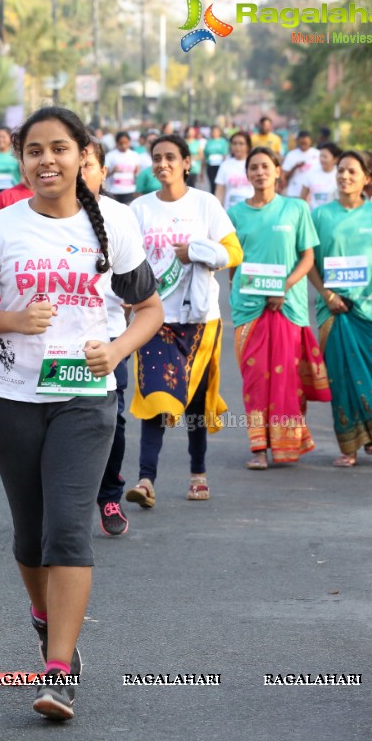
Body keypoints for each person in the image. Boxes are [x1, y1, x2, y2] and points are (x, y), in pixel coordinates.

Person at [0, 107, 162, 721]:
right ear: (22, 160)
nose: (47, 160)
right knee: (30, 534)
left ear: (81, 155)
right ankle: (45, 620)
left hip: (85, 400)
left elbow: (147, 307)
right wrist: (13, 319)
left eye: (60, 149)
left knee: (68, 530)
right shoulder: (0, 227)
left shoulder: (115, 224)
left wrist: (117, 349)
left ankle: (60, 668)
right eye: (35, 150)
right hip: (11, 400)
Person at [126, 135, 243, 509]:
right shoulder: (139, 209)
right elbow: (125, 258)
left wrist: (195, 251)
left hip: (199, 321)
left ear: (187, 163)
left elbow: (234, 253)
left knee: (193, 403)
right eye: (157, 158)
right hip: (154, 318)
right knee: (154, 396)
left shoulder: (205, 204)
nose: (163, 164)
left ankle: (198, 472)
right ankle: (146, 480)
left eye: (171, 157)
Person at [227, 147, 329, 469]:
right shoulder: (235, 213)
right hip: (249, 309)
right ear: (247, 174)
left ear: (278, 171)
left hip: (288, 306)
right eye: (253, 167)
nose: (259, 172)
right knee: (255, 380)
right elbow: (234, 263)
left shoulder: (296, 209)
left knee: (287, 381)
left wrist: (282, 287)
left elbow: (308, 258)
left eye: (265, 166)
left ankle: (285, 442)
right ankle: (258, 447)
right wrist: (244, 292)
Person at [308, 150, 372, 465]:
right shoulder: (320, 215)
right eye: (340, 171)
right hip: (335, 310)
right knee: (342, 376)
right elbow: (310, 262)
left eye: (352, 171)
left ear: (367, 177)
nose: (345, 176)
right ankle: (348, 445)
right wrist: (326, 296)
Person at [79, 136, 138, 535]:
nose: (80, 173)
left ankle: (109, 496)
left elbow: (138, 286)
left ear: (104, 171)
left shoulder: (119, 216)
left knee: (111, 423)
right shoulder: (36, 218)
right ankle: (64, 500)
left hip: (111, 340)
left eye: (88, 166)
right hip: (55, 345)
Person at [214, 131, 253, 211]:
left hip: (251, 210)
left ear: (248, 146)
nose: (237, 147)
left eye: (241, 144)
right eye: (234, 143)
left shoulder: (254, 164)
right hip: (231, 212)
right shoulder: (225, 165)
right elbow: (219, 191)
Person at [299, 142, 341, 211]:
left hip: (334, 216)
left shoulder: (340, 174)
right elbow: (302, 198)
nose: (321, 159)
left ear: (335, 159)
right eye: (321, 156)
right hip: (314, 216)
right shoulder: (311, 173)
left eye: (325, 157)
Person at [103, 131, 140, 204]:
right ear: (116, 143)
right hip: (114, 192)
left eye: (126, 143)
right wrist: (113, 171)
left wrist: (136, 172)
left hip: (130, 191)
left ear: (129, 142)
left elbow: (137, 173)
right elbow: (104, 175)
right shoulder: (110, 156)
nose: (123, 145)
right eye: (121, 143)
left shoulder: (134, 155)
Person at [281, 130, 320, 197]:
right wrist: (295, 167)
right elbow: (284, 176)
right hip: (294, 193)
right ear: (297, 141)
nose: (303, 145)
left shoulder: (318, 154)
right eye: (302, 143)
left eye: (306, 143)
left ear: (310, 141)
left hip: (313, 193)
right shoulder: (291, 155)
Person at [203, 125, 229, 192]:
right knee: (212, 184)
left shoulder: (223, 142)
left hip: (220, 166)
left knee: (218, 184)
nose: (215, 133)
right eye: (213, 131)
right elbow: (205, 155)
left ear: (219, 132)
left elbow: (225, 153)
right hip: (210, 166)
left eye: (216, 131)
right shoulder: (208, 142)